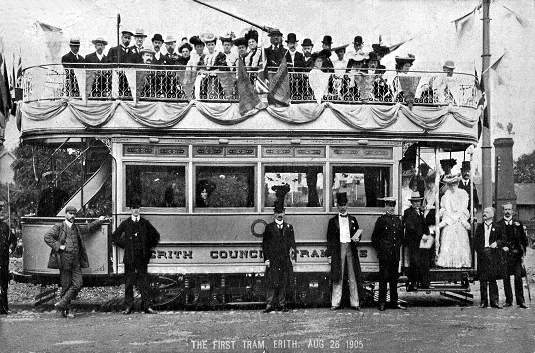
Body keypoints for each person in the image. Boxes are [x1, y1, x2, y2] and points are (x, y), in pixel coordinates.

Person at [43, 206, 107, 317]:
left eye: (74, 214)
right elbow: (47, 236)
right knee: (66, 285)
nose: (73, 216)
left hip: (76, 261)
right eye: (70, 213)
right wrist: (59, 246)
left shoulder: (76, 227)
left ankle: (62, 303)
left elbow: (88, 228)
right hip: (64, 260)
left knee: (78, 283)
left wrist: (99, 221)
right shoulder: (59, 227)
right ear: (65, 214)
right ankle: (65, 312)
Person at [111, 198, 160, 314]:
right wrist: (126, 245)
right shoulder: (126, 223)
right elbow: (114, 237)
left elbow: (156, 236)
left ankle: (147, 306)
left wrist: (147, 246)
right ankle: (128, 307)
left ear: (140, 209)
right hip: (129, 257)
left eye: (137, 208)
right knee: (129, 283)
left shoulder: (145, 223)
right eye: (134, 208)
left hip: (142, 257)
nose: (136, 210)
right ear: (130, 210)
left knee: (144, 282)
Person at [326, 192, 362, 310]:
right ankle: (335, 303)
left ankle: (355, 302)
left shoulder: (353, 219)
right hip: (338, 249)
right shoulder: (333, 221)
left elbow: (358, 234)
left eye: (344, 204)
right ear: (337, 206)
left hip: (350, 249)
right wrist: (329, 254)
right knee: (338, 276)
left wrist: (357, 238)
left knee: (353, 276)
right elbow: (330, 239)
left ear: (347, 205)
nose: (342, 207)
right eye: (340, 205)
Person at [371, 197, 406, 311]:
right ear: (385, 206)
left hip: (395, 255)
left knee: (394, 279)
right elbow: (374, 238)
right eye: (389, 206)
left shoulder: (397, 220)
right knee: (383, 279)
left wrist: (397, 246)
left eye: (393, 206)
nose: (391, 208)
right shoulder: (381, 220)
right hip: (385, 255)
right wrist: (381, 250)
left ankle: (394, 302)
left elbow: (401, 237)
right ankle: (382, 302)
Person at [261, 201, 296, 313]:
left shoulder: (289, 227)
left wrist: (293, 257)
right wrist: (266, 259)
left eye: (281, 212)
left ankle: (282, 304)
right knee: (272, 282)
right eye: (277, 212)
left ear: (284, 213)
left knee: (283, 282)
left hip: (285, 259)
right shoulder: (269, 228)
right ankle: (269, 304)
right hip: (273, 259)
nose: (280, 214)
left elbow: (292, 244)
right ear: (274, 214)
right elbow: (265, 245)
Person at [436, 174, 472, 268]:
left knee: (460, 239)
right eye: (450, 184)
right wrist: (447, 218)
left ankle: (461, 262)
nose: (452, 186)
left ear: (458, 183)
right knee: (448, 236)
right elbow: (444, 209)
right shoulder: (446, 196)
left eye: (454, 184)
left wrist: (457, 218)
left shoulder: (463, 194)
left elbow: (463, 208)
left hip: (459, 220)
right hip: (449, 219)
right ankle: (447, 262)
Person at [497, 203, 529, 308]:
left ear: (512, 211)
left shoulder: (518, 223)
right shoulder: (499, 224)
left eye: (509, 209)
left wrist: (523, 252)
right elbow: (497, 240)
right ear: (503, 211)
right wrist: (502, 247)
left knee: (518, 277)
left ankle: (521, 301)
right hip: (505, 255)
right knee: (506, 278)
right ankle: (509, 301)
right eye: (505, 209)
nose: (507, 211)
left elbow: (524, 240)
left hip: (516, 255)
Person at [474, 207, 505, 308]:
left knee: (492, 279)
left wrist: (497, 243)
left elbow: (503, 240)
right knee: (483, 279)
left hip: (493, 255)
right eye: (484, 212)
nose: (484, 214)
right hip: (483, 255)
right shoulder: (479, 227)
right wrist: (481, 251)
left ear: (492, 215)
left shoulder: (498, 227)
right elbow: (476, 242)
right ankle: (483, 302)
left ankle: (494, 301)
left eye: (487, 212)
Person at [403, 191, 431, 290]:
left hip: (422, 241)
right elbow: (411, 228)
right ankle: (413, 283)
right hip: (413, 242)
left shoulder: (421, 211)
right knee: (414, 262)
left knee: (424, 261)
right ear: (412, 203)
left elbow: (424, 225)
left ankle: (424, 283)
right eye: (415, 202)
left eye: (418, 201)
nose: (417, 203)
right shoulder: (408, 212)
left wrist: (427, 234)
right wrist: (422, 235)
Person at [0, 207, 17, 315]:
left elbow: (13, 240)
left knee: (3, 285)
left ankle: (3, 308)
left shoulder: (4, 226)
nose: (0, 212)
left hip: (3, 261)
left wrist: (11, 249)